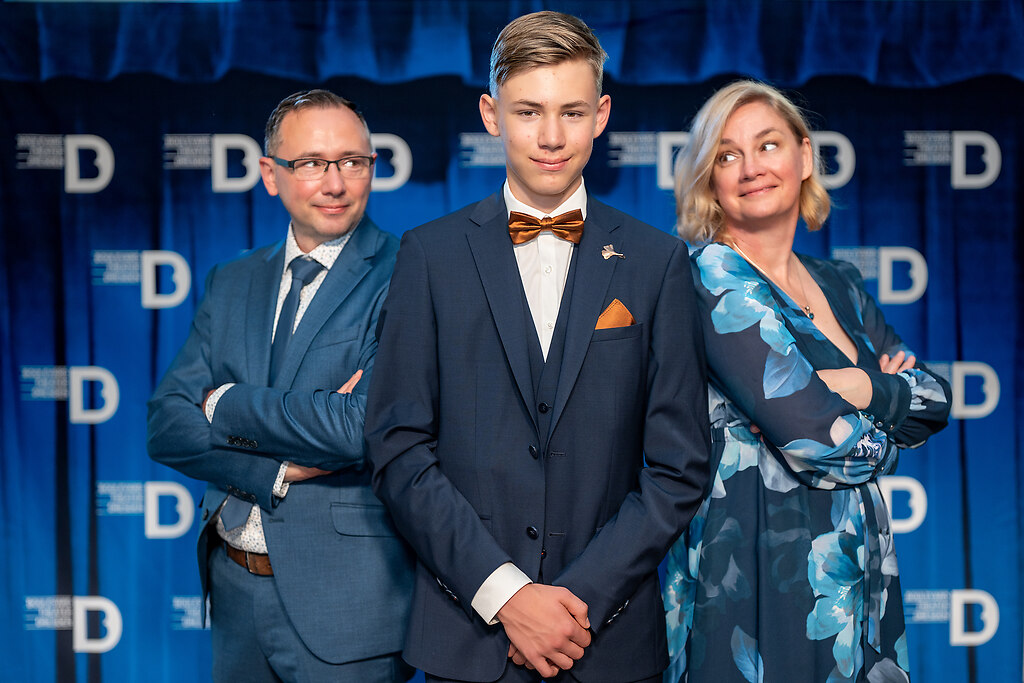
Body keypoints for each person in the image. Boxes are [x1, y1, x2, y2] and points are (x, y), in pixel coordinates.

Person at [364, 11, 711, 683]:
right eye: (528, 112)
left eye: (572, 112)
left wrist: (572, 606)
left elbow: (679, 466)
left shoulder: (657, 261)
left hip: (607, 643)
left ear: (601, 115)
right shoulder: (429, 256)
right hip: (466, 640)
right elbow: (399, 450)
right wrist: (507, 595)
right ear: (491, 115)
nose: (552, 137)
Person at [662, 79, 952, 683]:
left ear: (804, 156)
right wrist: (886, 425)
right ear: (709, 179)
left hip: (859, 561)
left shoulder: (841, 282)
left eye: (767, 145)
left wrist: (864, 390)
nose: (751, 167)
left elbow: (935, 400)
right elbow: (814, 437)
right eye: (727, 155)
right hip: (761, 565)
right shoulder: (712, 274)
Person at [147, 89, 414, 682]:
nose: (335, 183)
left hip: (349, 605)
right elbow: (165, 424)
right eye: (312, 163)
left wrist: (223, 403)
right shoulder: (232, 279)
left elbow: (357, 428)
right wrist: (271, 471)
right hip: (233, 590)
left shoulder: (409, 273)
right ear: (271, 175)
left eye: (353, 162)